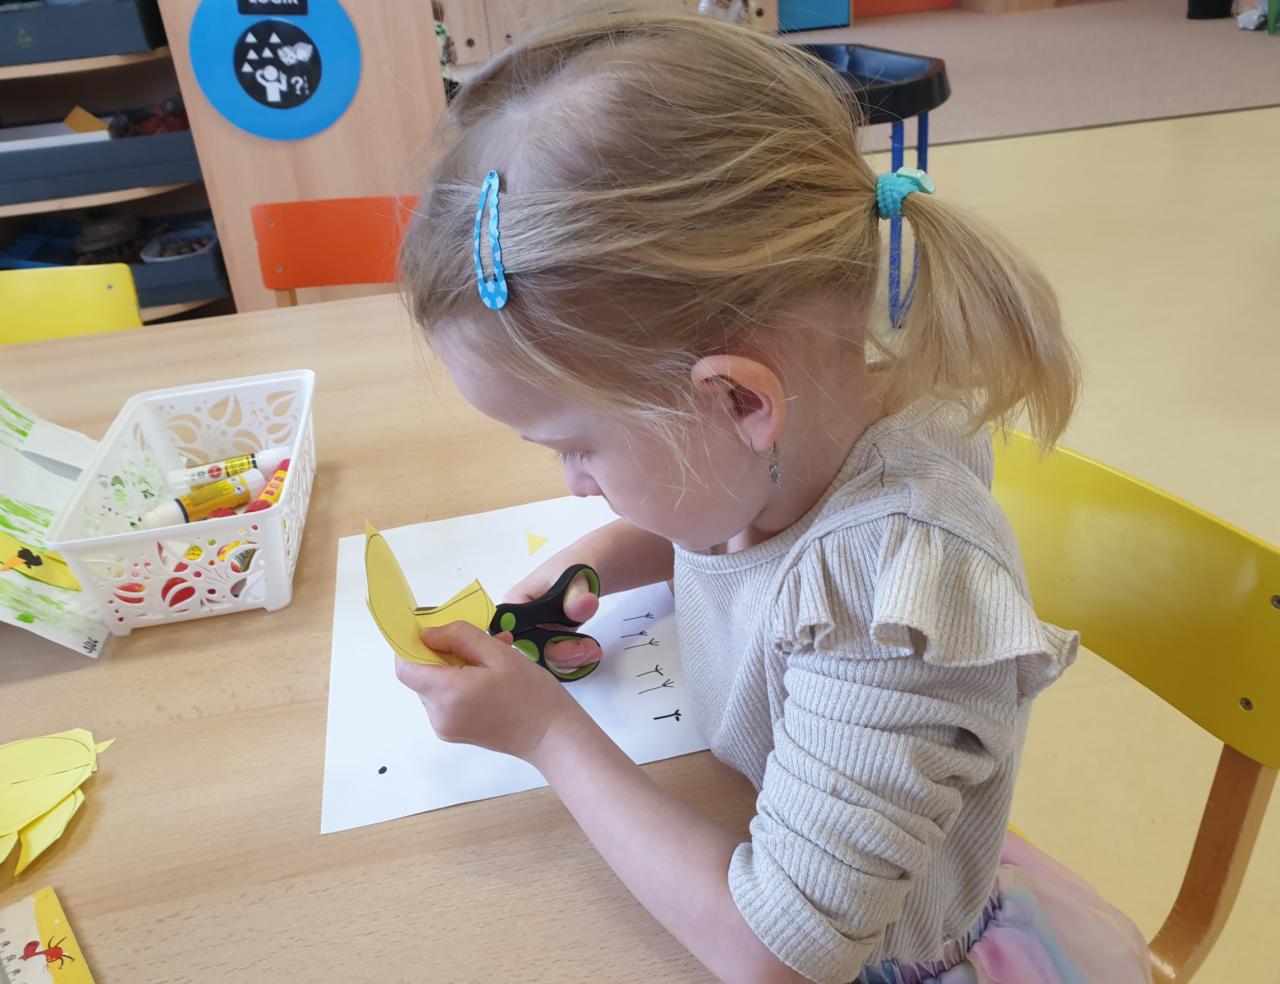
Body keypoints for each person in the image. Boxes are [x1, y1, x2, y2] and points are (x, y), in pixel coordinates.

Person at [394, 7, 1153, 982]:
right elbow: (744, 531)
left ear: (740, 400)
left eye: (576, 448)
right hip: (797, 823)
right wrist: (589, 563)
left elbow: (775, 957)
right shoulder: (801, 441)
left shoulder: (892, 604)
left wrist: (542, 731)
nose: (575, 485)